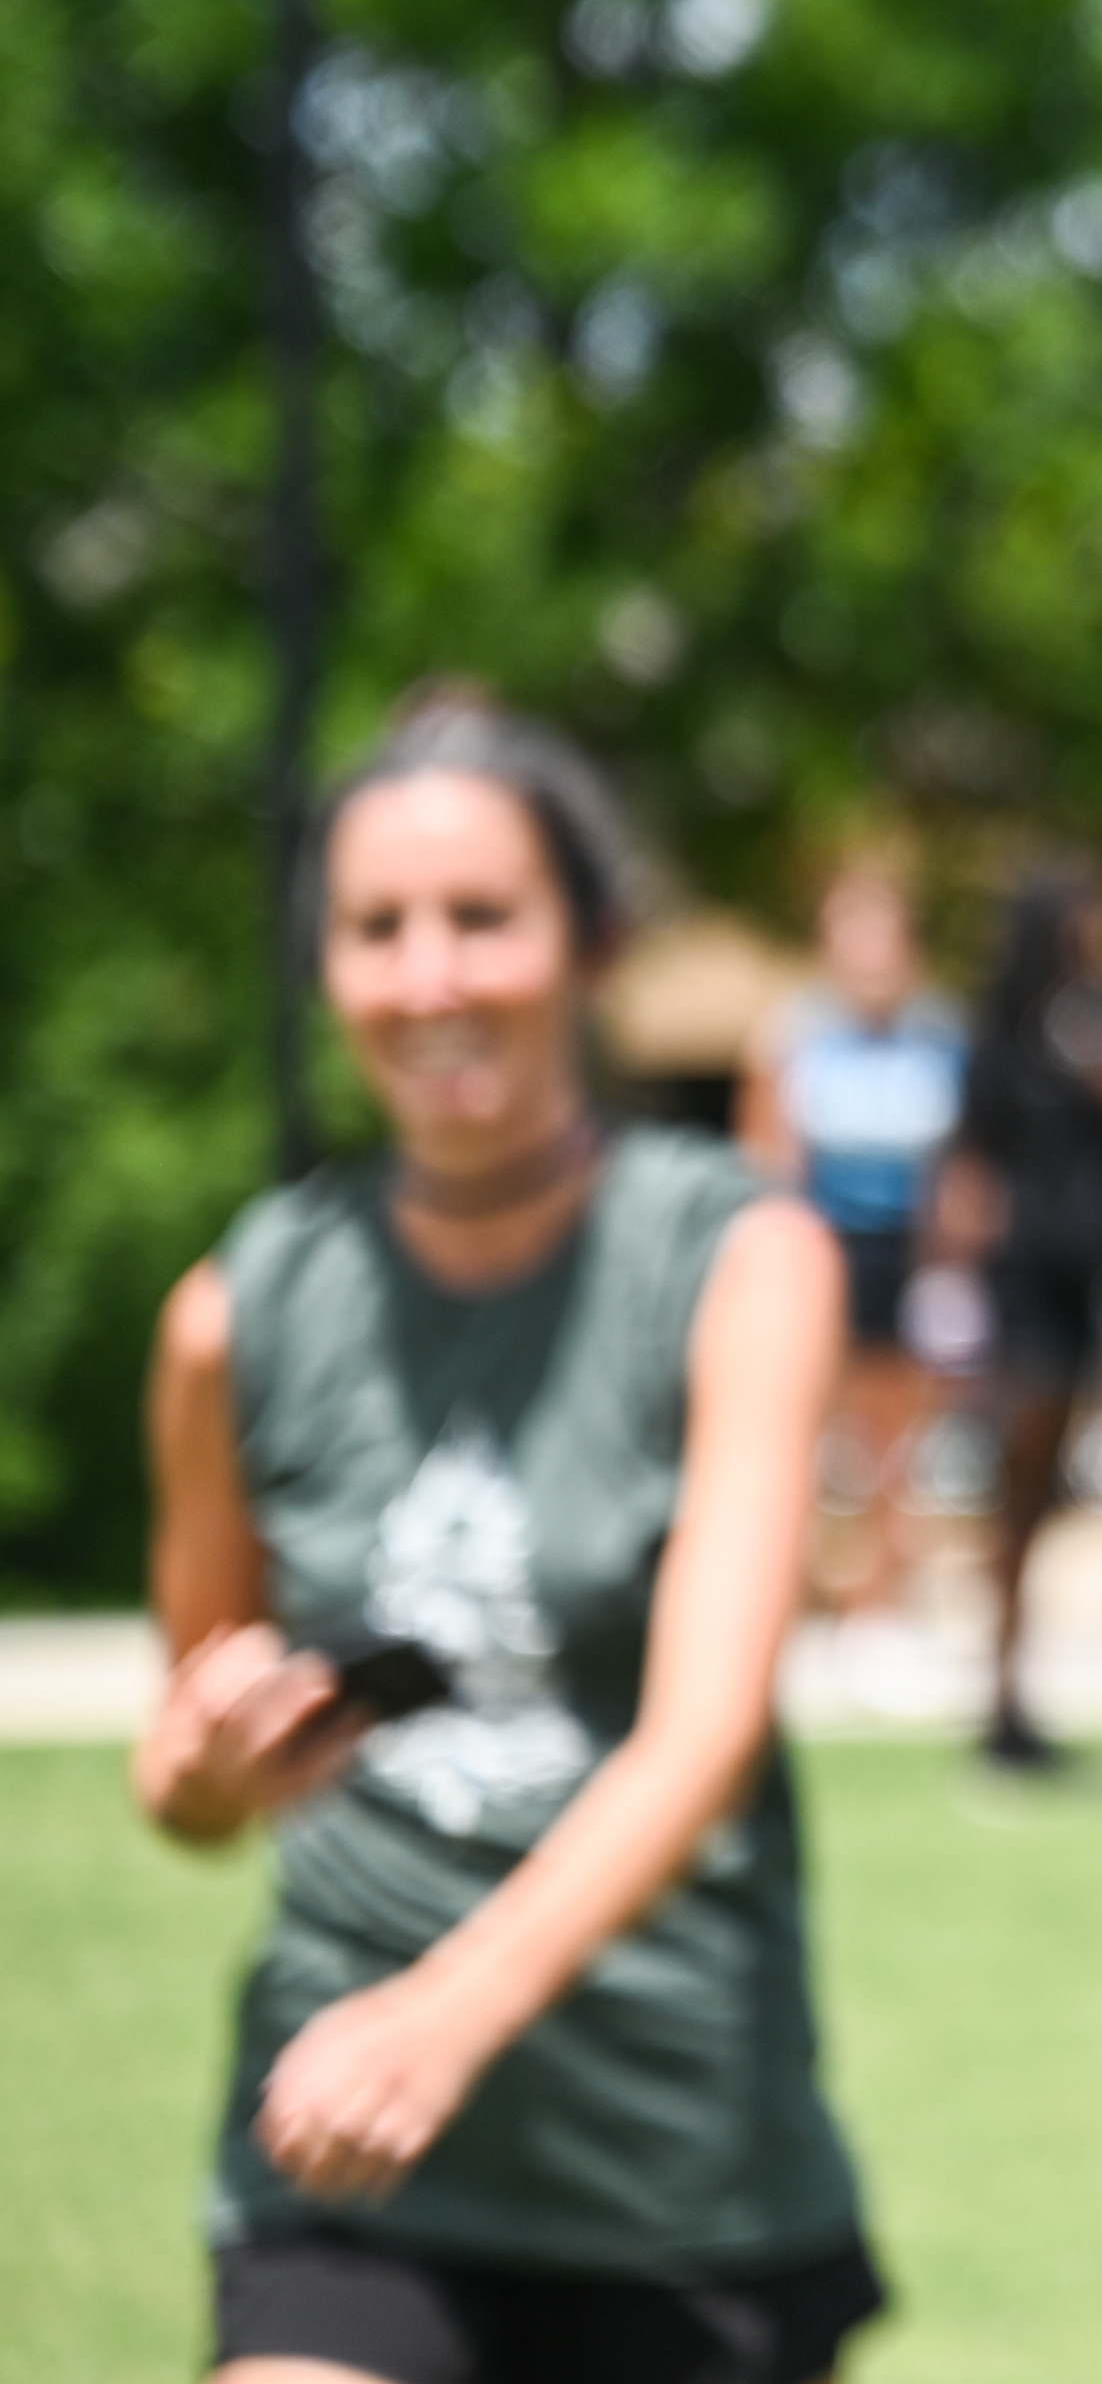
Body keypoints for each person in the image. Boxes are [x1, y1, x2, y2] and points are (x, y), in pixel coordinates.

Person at [134, 689, 881, 2382]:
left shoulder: (737, 1261)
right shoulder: (236, 1314)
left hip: (671, 2167)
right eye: (377, 927)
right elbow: (185, 1772)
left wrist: (448, 2013)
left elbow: (705, 1730)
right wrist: (215, 1766)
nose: (431, 977)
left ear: (593, 943)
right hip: (342, 2151)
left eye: (483, 916)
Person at [936, 857, 1102, 1773]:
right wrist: (952, 1285)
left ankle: (1016, 1686)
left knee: (1051, 1486)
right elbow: (970, 1163)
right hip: (1022, 1285)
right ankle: (1000, 1692)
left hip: (1092, 1280)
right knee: (1021, 1485)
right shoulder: (1006, 1035)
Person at [734, 856, 966, 1623]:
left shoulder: (939, 1036)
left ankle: (883, 1596)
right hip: (819, 1248)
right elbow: (764, 1159)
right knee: (812, 1431)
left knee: (898, 1441)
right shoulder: (791, 1036)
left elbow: (959, 1166)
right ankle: (799, 1594)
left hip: (909, 1252)